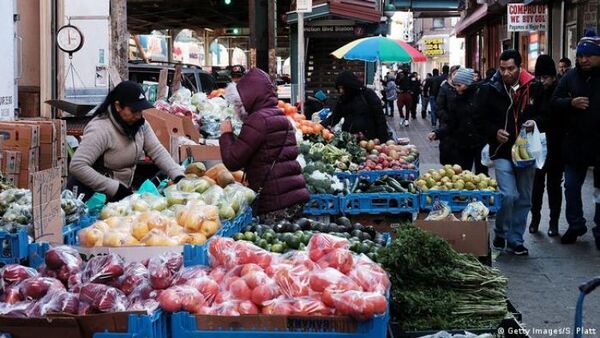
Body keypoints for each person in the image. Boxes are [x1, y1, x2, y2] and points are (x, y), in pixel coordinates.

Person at [69, 81, 185, 202]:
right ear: (118, 106)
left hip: (119, 197)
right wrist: (114, 188)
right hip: (93, 198)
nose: (138, 115)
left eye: (140, 110)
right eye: (134, 111)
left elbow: (157, 150)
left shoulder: (140, 125)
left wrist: (177, 175)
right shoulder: (101, 129)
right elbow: (77, 165)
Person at [219, 68, 309, 219]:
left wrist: (226, 134)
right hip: (293, 197)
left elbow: (232, 161)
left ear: (248, 97)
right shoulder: (279, 115)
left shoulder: (258, 120)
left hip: (275, 202)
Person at [477, 49, 543, 255]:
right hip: (502, 151)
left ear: (519, 67)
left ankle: (516, 239)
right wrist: (494, 132)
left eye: (511, 69)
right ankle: (501, 232)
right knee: (508, 195)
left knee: (524, 197)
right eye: (503, 68)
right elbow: (478, 118)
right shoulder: (490, 88)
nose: (506, 73)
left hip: (526, 152)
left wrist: (536, 122)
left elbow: (546, 113)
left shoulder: (534, 87)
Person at [551, 31, 600, 248]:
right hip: (575, 144)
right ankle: (575, 224)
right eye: (581, 55)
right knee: (571, 186)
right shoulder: (570, 77)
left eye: (589, 55)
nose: (584, 59)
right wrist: (570, 103)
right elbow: (554, 102)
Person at [428, 68, 488, 175]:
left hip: (480, 143)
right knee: (463, 175)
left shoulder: (481, 96)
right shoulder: (456, 100)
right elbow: (451, 123)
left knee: (482, 174)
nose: (456, 88)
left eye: (459, 85)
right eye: (455, 85)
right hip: (462, 144)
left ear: (468, 83)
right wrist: (437, 133)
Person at [529, 55, 562, 237]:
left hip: (556, 145)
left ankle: (554, 222)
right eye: (540, 78)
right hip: (539, 146)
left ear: (553, 76)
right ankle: (535, 219)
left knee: (554, 186)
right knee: (537, 186)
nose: (543, 81)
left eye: (546, 78)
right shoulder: (536, 90)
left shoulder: (561, 89)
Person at [322, 71, 390, 141]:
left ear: (350, 86)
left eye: (343, 88)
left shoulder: (367, 94)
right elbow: (335, 117)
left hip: (369, 139)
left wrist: (383, 140)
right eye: (339, 88)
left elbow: (380, 117)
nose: (341, 91)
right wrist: (321, 125)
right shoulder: (343, 99)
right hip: (349, 139)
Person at [436, 65, 461, 165]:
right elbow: (439, 107)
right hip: (446, 126)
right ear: (451, 75)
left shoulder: (463, 87)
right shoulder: (445, 88)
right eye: (455, 74)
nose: (457, 77)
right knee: (447, 154)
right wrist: (448, 118)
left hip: (460, 129)